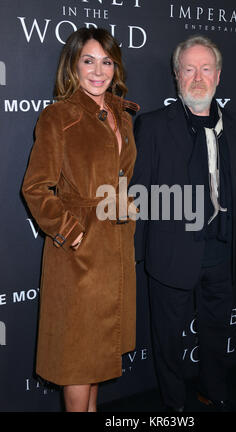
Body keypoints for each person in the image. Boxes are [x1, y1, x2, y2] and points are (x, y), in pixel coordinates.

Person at [130, 35, 236, 412]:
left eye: (206, 69)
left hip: (222, 253)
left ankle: (213, 390)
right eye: (189, 69)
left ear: (218, 76)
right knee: (167, 342)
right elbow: (138, 195)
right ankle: (174, 407)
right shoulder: (152, 126)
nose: (198, 77)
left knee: (216, 333)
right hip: (170, 256)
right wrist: (133, 252)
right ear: (177, 76)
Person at [22, 27, 139, 412]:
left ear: (115, 67)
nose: (98, 70)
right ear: (73, 66)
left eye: (106, 61)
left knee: (95, 358)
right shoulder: (59, 117)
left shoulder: (122, 116)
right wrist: (70, 231)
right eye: (88, 60)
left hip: (115, 252)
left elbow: (120, 175)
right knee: (77, 361)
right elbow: (36, 187)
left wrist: (127, 204)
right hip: (78, 259)